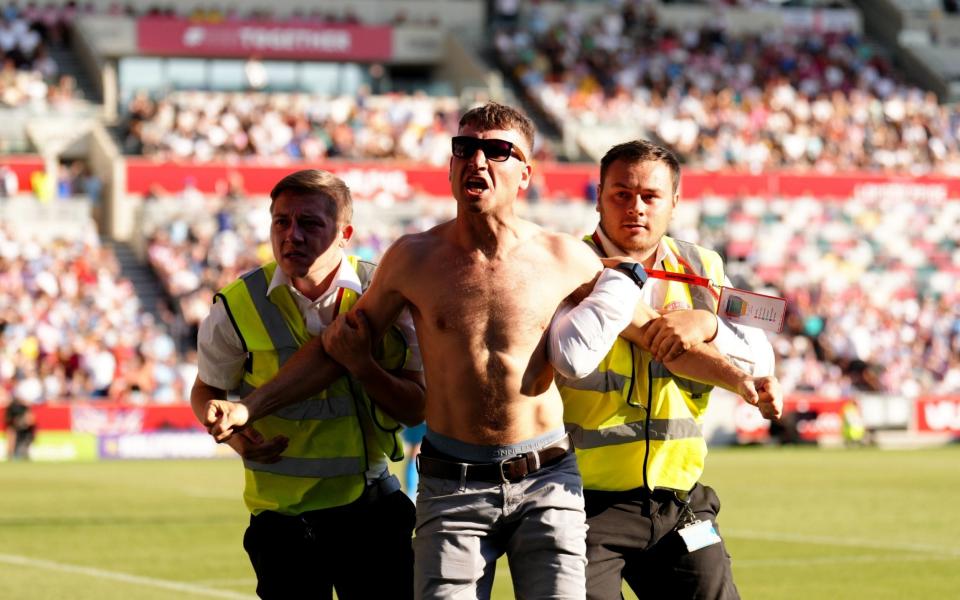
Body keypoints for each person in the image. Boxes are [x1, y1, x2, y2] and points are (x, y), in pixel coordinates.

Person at [204, 103, 775, 599]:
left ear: (525, 173)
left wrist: (740, 376)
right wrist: (249, 407)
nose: (478, 160)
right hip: (452, 482)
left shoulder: (564, 259)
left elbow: (659, 338)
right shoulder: (411, 259)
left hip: (549, 478)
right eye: (466, 148)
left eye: (498, 151)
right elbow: (337, 348)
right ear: (451, 165)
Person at [558, 140, 782, 600]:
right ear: (598, 195)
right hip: (583, 504)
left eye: (650, 196)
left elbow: (761, 351)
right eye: (621, 193)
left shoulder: (704, 267)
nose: (635, 207)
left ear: (675, 202)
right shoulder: (565, 265)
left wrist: (711, 325)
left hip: (679, 505)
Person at [190, 169, 424, 600]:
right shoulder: (238, 304)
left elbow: (415, 409)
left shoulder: (386, 292)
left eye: (310, 223)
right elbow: (206, 390)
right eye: (281, 221)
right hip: (280, 522)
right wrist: (235, 436)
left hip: (369, 510)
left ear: (344, 233)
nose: (291, 235)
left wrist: (365, 367)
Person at [4, 395, 36, 460]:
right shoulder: (12, 408)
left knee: (24, 441)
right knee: (11, 440)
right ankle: (10, 456)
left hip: (24, 428)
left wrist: (24, 423)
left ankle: (23, 455)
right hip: (13, 427)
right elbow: (8, 419)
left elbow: (31, 420)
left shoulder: (24, 408)